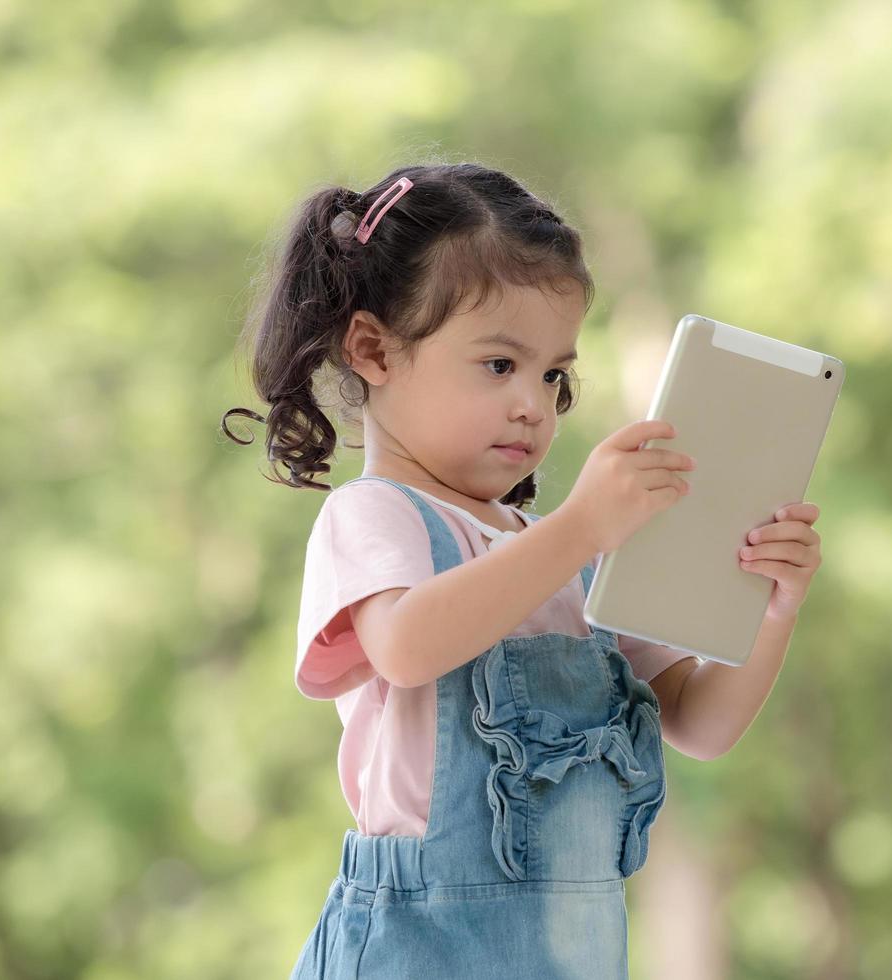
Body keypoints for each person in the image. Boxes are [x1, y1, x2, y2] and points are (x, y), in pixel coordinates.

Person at [220, 162, 706, 979]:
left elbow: (698, 719)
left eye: (553, 374)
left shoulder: (568, 554)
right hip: (419, 948)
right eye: (498, 366)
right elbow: (407, 645)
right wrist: (585, 526)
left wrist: (770, 604)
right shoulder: (375, 515)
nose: (534, 404)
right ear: (373, 348)